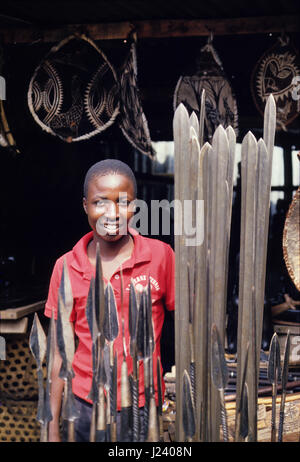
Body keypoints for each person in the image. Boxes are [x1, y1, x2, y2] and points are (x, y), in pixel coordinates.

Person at [44, 159, 175, 442]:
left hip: (142, 404)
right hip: (82, 406)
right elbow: (58, 353)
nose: (112, 213)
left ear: (136, 206)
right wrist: (51, 427)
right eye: (99, 202)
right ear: (85, 206)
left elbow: (189, 329)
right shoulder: (66, 267)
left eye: (123, 202)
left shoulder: (161, 257)